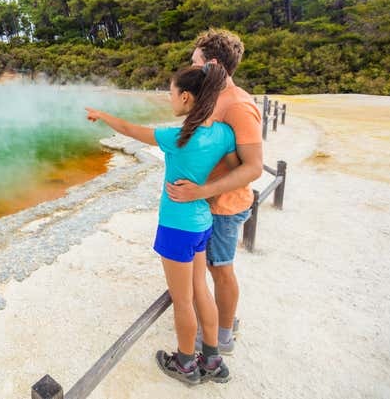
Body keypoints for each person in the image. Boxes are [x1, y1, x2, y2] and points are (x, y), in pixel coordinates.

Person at [85, 63, 236, 386]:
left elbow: (129, 130)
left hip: (177, 226)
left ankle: (185, 363)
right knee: (200, 290)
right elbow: (234, 167)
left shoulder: (178, 138)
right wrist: (207, 189)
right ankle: (212, 359)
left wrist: (102, 115)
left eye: (171, 93)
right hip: (202, 222)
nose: (169, 99)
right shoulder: (223, 134)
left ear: (186, 97)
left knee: (182, 300)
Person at [165, 28, 263, 355]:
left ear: (213, 64)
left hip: (225, 205)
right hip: (207, 204)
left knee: (220, 269)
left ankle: (223, 335)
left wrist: (202, 190)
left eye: (195, 62)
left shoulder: (237, 105)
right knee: (209, 268)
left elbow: (253, 167)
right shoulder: (213, 97)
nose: (191, 67)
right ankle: (222, 321)